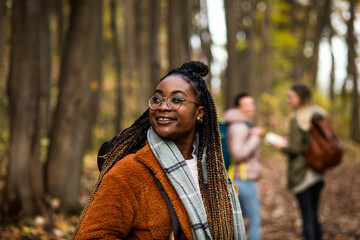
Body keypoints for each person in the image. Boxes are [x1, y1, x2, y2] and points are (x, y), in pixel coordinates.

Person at [74, 61, 246, 239]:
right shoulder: (129, 173)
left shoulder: (217, 179)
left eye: (176, 99)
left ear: (199, 113)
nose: (163, 106)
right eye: (157, 99)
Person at [274, 83, 325, 240]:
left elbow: (296, 149)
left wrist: (282, 147)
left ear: (300, 98)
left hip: (302, 173)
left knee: (307, 217)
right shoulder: (319, 115)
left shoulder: (297, 118)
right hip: (318, 171)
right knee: (314, 215)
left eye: (291, 97)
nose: (288, 100)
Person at [224, 93, 264, 240]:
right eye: (245, 105)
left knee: (238, 223)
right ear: (238, 108)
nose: (250, 108)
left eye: (251, 104)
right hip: (243, 180)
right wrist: (255, 137)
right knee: (254, 222)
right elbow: (237, 154)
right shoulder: (239, 126)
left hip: (238, 178)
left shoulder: (241, 124)